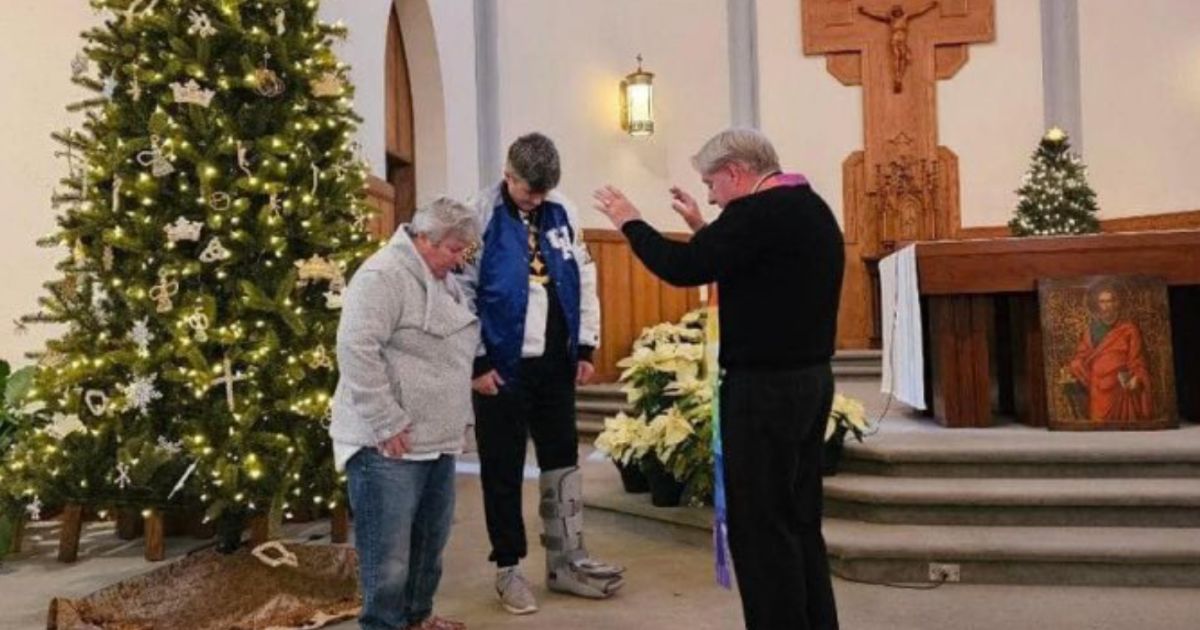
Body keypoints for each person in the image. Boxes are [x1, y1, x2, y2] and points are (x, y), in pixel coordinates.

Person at [593, 128, 843, 630]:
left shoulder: (755, 215)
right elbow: (752, 264)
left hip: (764, 392)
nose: (709, 193)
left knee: (760, 530)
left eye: (711, 183)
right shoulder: (811, 207)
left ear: (735, 172)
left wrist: (630, 221)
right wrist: (702, 225)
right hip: (811, 382)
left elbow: (683, 267)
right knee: (798, 523)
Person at [458, 132, 624, 615]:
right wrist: (478, 361)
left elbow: (583, 277)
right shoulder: (479, 215)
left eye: (543, 192)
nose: (537, 200)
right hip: (502, 367)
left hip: (555, 361)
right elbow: (463, 293)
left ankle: (566, 558)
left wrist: (586, 344)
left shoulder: (563, 210)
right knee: (503, 468)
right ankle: (508, 568)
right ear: (508, 176)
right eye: (529, 191)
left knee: (562, 459)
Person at [330, 197, 481, 630]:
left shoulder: (439, 278)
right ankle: (383, 624)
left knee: (429, 542)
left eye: (464, 251)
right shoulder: (383, 275)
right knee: (388, 555)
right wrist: (386, 419)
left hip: (434, 439)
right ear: (424, 238)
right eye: (453, 249)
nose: (458, 261)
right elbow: (356, 349)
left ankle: (418, 617)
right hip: (388, 443)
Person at [1064, 281, 1153, 422]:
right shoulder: (1091, 331)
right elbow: (1081, 356)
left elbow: (1136, 360)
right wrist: (1077, 366)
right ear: (1096, 305)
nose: (1107, 306)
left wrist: (1137, 377)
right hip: (1097, 389)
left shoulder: (1129, 330)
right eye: (1103, 302)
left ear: (1117, 303)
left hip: (1120, 389)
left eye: (1111, 301)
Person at [858, 2, 938, 93]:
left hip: (902, 40)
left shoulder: (905, 17)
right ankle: (897, 77)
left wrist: (930, 7)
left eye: (898, 11)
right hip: (894, 40)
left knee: (903, 57)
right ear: (893, 12)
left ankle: (899, 78)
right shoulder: (891, 20)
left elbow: (919, 12)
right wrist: (865, 12)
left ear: (901, 11)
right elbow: (876, 15)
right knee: (897, 57)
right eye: (895, 11)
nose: (897, 13)